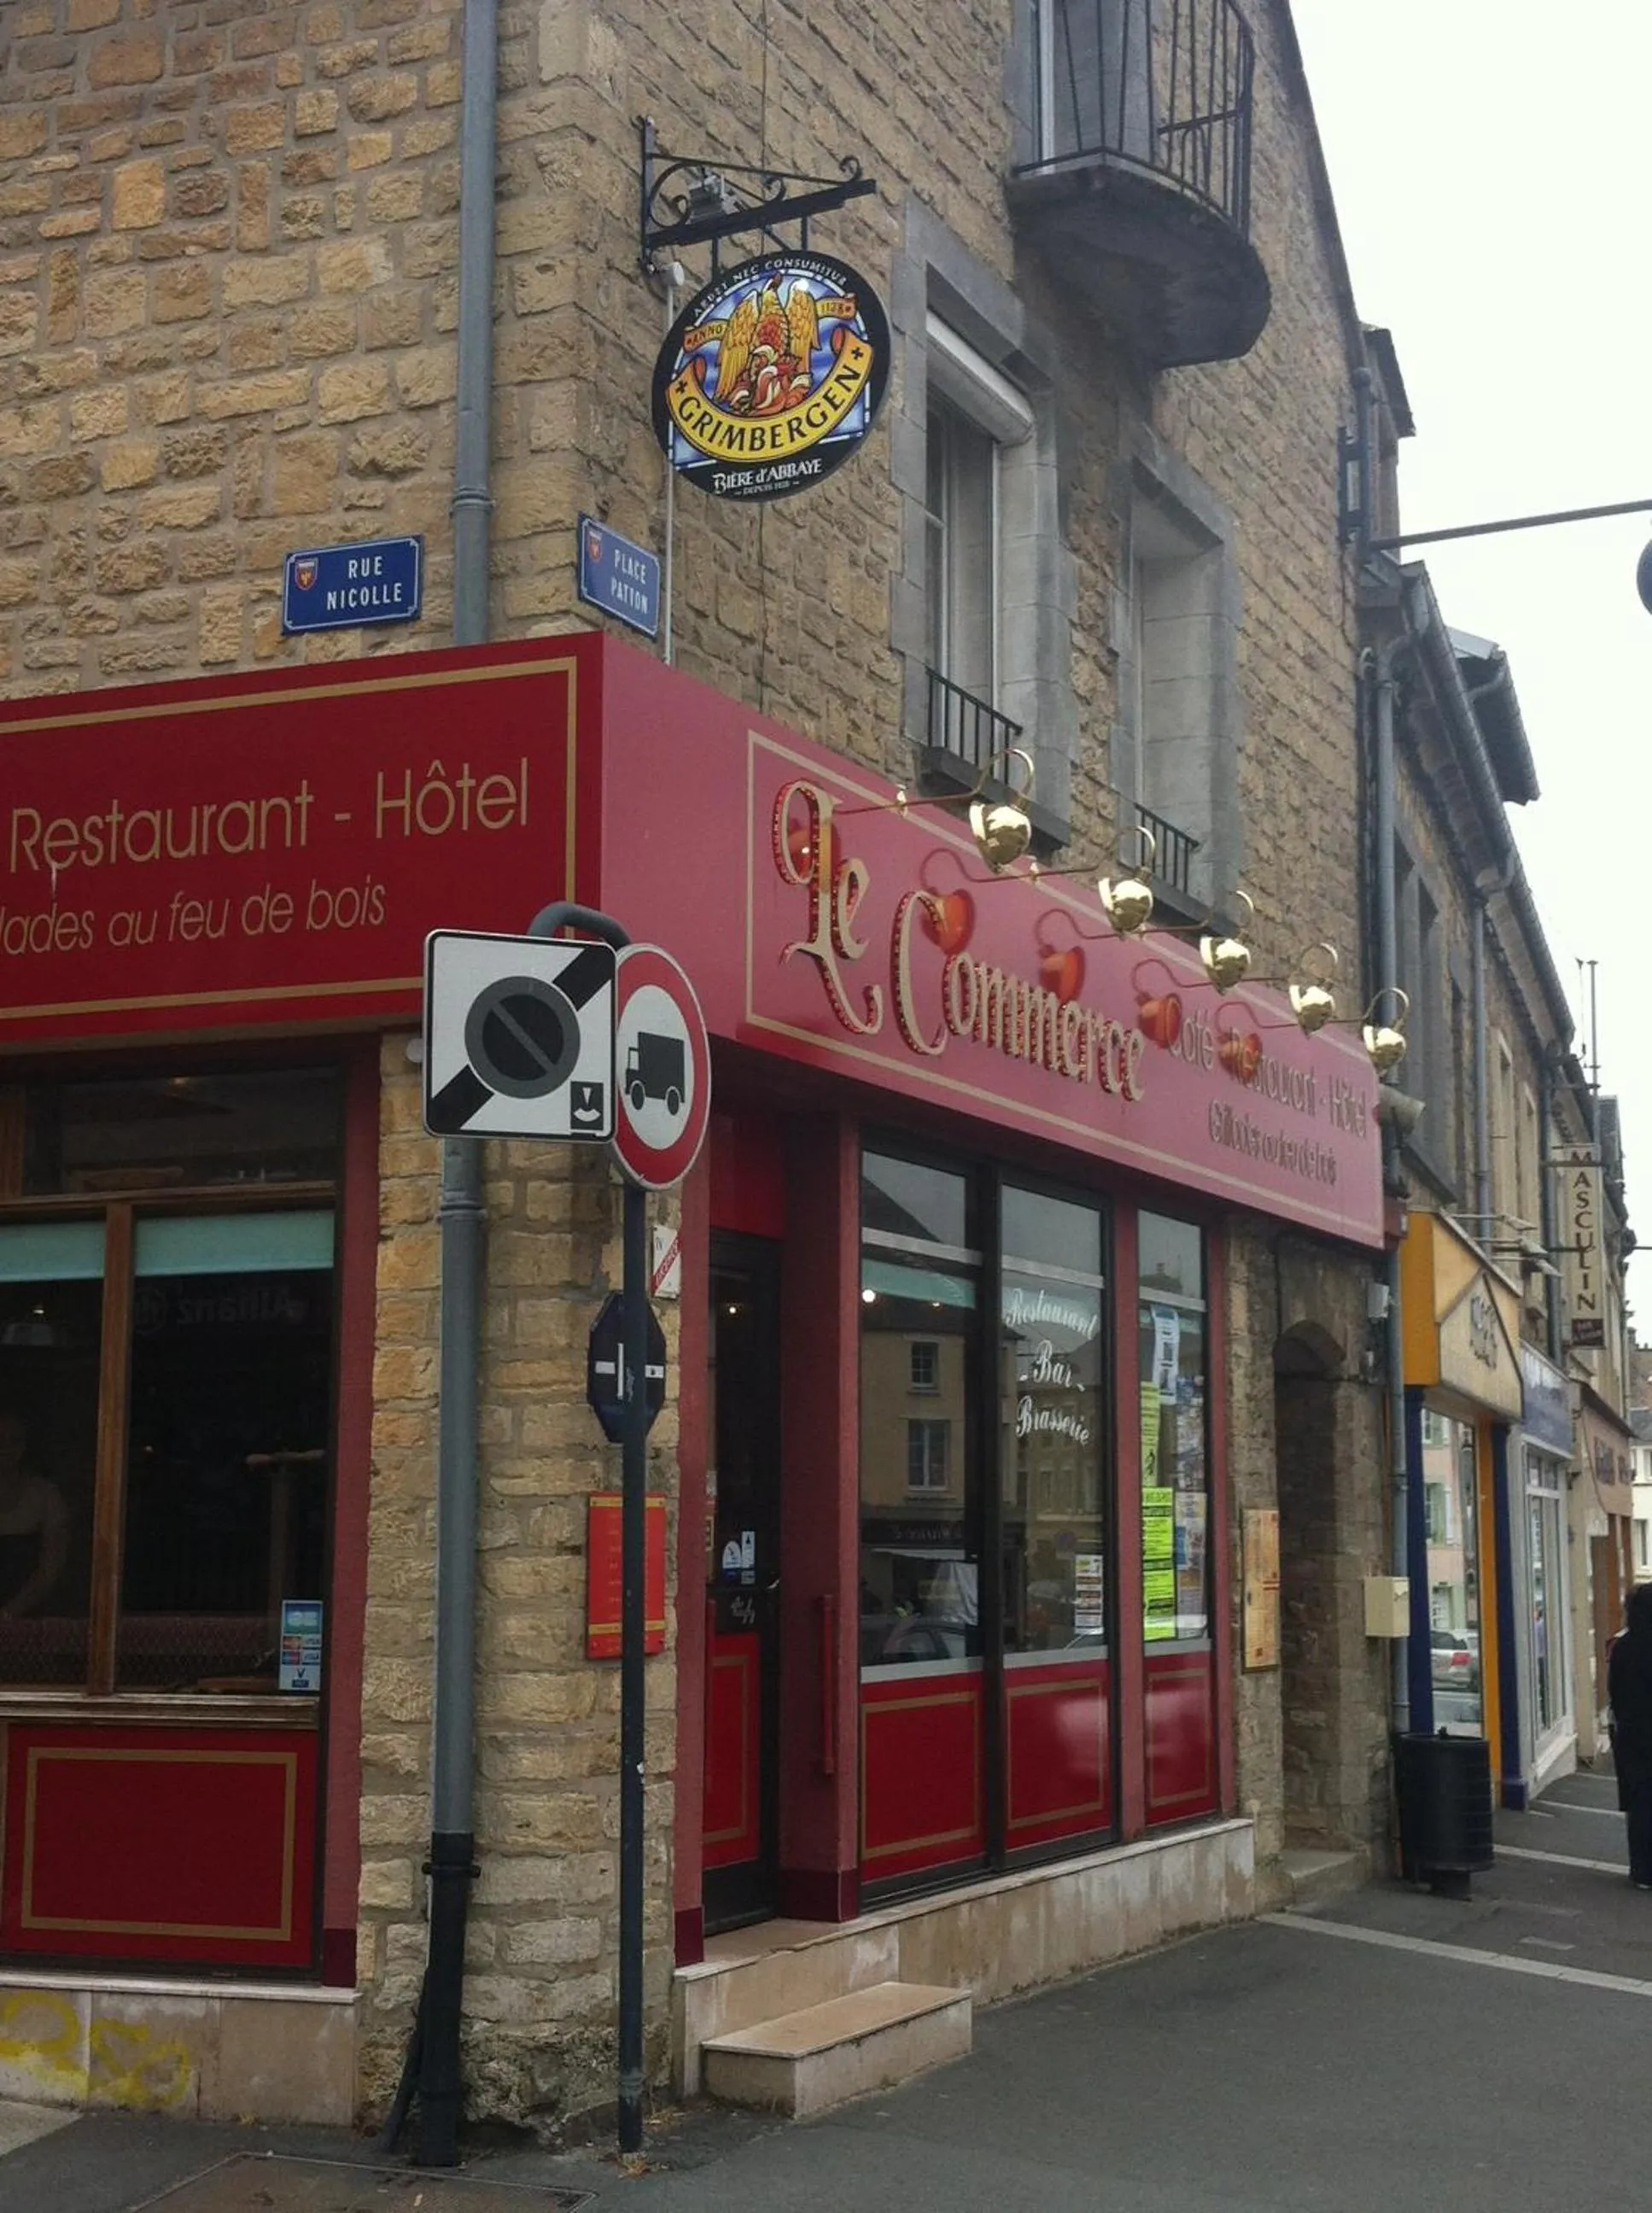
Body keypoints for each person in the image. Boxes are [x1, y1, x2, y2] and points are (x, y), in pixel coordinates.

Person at [0, 1408, 70, 1620]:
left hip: (33, 1627)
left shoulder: (46, 1497)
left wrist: (8, 1614)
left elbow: (50, 1571)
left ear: (25, 1446)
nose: (5, 1448)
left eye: (14, 1440)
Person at [1607, 1579, 1652, 1889]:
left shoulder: (1623, 1646)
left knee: (1640, 1801)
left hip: (1635, 1732)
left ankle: (1643, 1870)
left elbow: (1615, 1691)